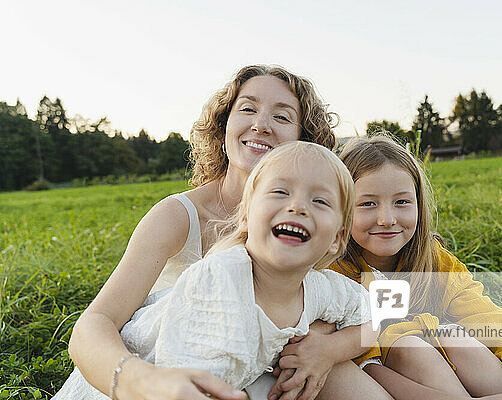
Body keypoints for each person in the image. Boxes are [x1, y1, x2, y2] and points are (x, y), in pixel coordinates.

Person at [66, 65, 391, 400]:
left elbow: (366, 304)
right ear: (224, 128)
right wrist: (141, 381)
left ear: (303, 143)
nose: (261, 124)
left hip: (275, 362)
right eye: (248, 109)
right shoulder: (179, 218)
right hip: (170, 371)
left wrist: (329, 347)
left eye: (281, 117)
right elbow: (95, 324)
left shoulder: (315, 223)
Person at [327, 135, 502, 400]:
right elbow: (365, 366)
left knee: (452, 333)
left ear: (419, 205)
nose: (387, 219)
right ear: (341, 208)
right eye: (367, 204)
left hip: (441, 367)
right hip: (387, 380)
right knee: (408, 343)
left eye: (402, 202)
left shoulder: (434, 262)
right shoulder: (332, 272)